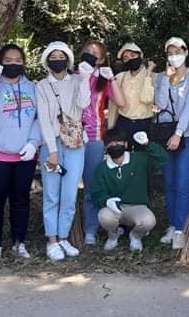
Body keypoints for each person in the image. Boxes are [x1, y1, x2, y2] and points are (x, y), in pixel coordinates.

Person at [0, 44, 42, 261]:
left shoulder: (32, 87)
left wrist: (33, 142)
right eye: (8, 61)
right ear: (0, 63)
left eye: (18, 61)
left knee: (21, 200)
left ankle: (19, 242)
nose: (13, 64)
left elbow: (40, 118)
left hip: (24, 155)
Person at [35, 41, 92, 261]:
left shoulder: (77, 80)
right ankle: (51, 241)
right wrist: (51, 151)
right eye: (53, 57)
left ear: (68, 60)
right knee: (51, 194)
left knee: (70, 194)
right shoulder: (42, 85)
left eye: (61, 57)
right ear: (47, 60)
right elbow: (44, 120)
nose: (57, 60)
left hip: (75, 144)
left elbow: (83, 104)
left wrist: (85, 79)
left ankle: (64, 237)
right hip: (52, 145)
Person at [154, 37, 189, 248]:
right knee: (169, 182)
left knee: (182, 182)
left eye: (178, 52)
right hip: (164, 133)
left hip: (186, 133)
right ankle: (172, 224)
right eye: (170, 53)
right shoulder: (160, 77)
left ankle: (181, 228)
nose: (174, 56)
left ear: (185, 52)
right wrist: (166, 79)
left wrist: (179, 133)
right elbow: (160, 103)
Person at [79, 40, 125, 246]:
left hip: (94, 138)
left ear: (101, 60)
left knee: (92, 185)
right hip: (70, 138)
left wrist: (111, 78)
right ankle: (66, 230)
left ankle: (90, 229)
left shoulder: (103, 80)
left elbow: (121, 102)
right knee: (68, 187)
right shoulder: (72, 75)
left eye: (95, 53)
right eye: (87, 51)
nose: (91, 54)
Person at [91, 130, 168, 252]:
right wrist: (106, 201)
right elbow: (97, 193)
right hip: (115, 209)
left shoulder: (139, 159)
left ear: (126, 144)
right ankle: (113, 236)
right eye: (111, 143)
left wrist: (148, 144)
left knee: (148, 221)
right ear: (105, 147)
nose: (115, 145)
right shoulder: (102, 169)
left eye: (119, 142)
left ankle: (135, 236)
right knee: (104, 216)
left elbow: (163, 158)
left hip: (137, 207)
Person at [109, 42, 156, 142]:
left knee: (142, 152)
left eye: (133, 55)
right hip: (123, 123)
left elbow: (147, 99)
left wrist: (148, 75)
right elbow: (113, 106)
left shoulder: (153, 77)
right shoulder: (120, 77)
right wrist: (110, 127)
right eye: (126, 58)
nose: (130, 59)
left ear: (140, 56)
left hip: (144, 124)